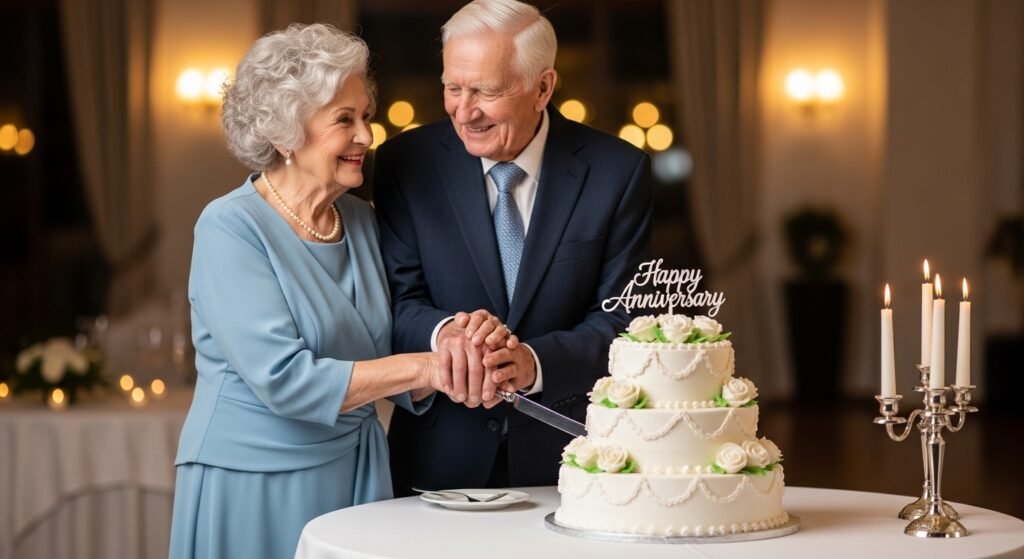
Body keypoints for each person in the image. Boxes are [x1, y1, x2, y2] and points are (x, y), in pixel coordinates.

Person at [168, 24, 510, 559]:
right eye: (344, 120)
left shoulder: (363, 222)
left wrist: (462, 347)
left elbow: (387, 353)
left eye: (366, 117)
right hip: (256, 478)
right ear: (285, 132)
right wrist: (426, 367)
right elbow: (286, 379)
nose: (366, 138)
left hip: (356, 472)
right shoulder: (229, 228)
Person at [375, 0, 653, 494]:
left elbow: (623, 320)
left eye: (486, 90)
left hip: (571, 460)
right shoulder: (405, 163)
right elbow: (394, 302)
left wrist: (532, 361)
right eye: (453, 87)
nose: (465, 111)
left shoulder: (618, 171)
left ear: (543, 87)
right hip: (437, 461)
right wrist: (447, 335)